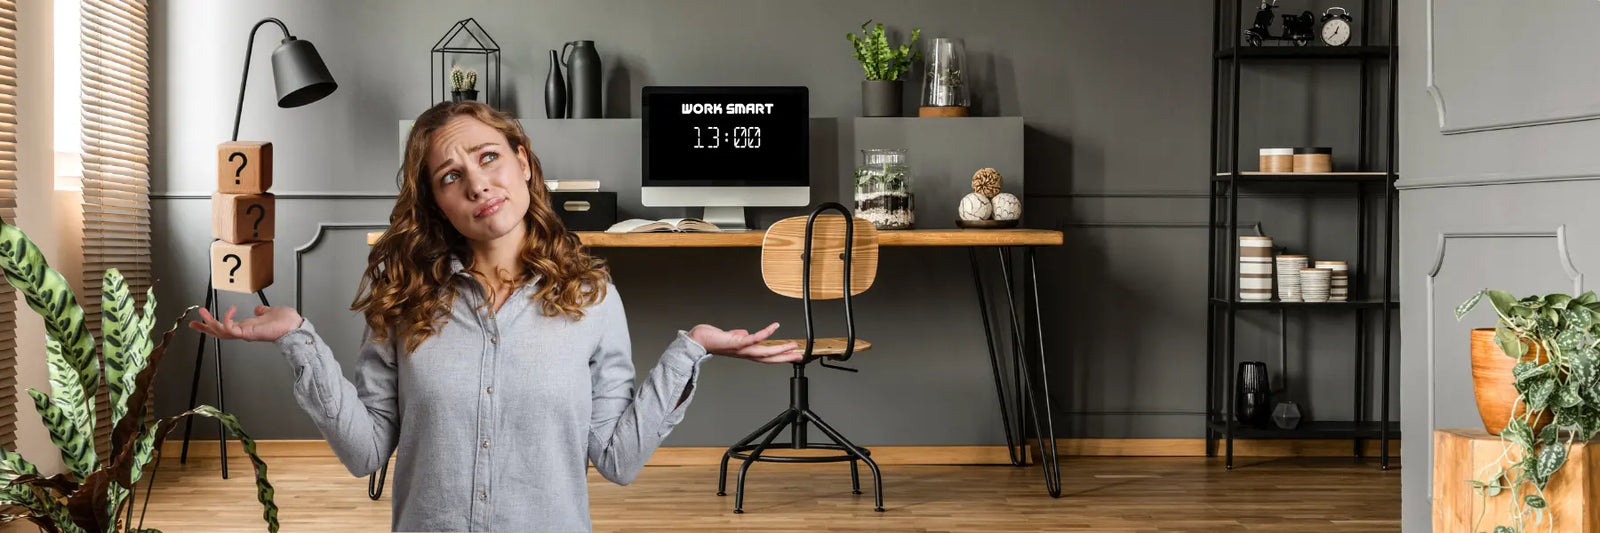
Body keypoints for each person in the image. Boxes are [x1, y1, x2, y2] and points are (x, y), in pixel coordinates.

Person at [187, 100, 803, 532]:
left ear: (523, 161)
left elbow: (617, 458)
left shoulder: (592, 298)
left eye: (488, 158)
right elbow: (367, 451)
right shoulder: (401, 294)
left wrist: (690, 350)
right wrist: (300, 340)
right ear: (438, 204)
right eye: (451, 176)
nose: (478, 185)